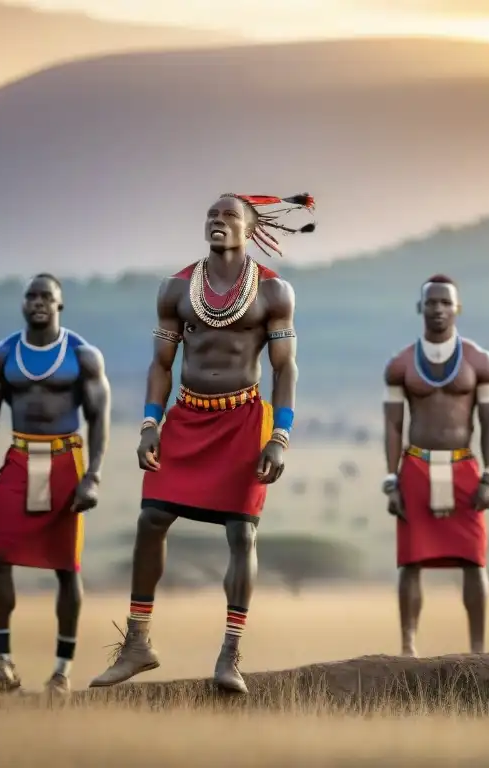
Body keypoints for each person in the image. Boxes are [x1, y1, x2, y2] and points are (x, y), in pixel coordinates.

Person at [89, 193, 314, 694]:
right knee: (151, 518)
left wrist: (281, 435)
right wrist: (150, 424)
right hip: (187, 416)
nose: (217, 221)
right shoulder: (175, 288)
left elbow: (285, 368)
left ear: (251, 228)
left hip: (243, 420)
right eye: (211, 215)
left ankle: (230, 654)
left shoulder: (275, 294)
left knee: (242, 534)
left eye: (229, 215)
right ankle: (137, 643)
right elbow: (161, 365)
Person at [0, 274, 110, 702]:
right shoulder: (1, 357)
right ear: (22, 305)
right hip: (20, 457)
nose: (38, 302)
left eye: (47, 296)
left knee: (67, 566)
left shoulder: (83, 356)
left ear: (60, 304)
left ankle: (62, 672)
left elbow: (100, 419)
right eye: (31, 296)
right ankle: (2, 665)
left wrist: (94, 475)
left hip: (66, 459)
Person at [382, 275, 489, 656]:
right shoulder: (400, 364)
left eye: (445, 303)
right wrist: (391, 479)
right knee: (410, 560)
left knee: (474, 559)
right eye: (430, 302)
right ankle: (407, 648)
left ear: (457, 309)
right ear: (421, 308)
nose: (437, 309)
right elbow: (393, 424)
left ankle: (479, 651)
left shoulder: (479, 361)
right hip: (414, 466)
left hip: (465, 466)